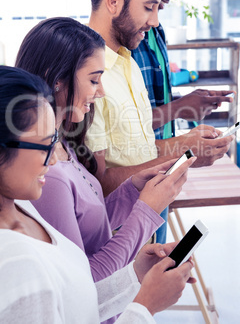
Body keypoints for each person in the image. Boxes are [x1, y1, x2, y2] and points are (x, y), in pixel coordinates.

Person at [0, 65, 196, 323]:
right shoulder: (16, 265)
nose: (52, 161)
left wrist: (134, 277)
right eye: (42, 147)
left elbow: (73, 306)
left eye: (54, 142)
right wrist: (145, 306)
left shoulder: (23, 207)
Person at [15, 17, 195, 286]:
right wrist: (147, 210)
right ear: (57, 79)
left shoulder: (63, 143)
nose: (100, 93)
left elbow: (92, 224)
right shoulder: (48, 175)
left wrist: (133, 190)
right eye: (94, 80)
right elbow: (84, 280)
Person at [84, 0, 234, 198]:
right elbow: (98, 186)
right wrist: (183, 153)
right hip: (118, 236)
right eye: (148, 7)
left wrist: (184, 143)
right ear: (114, 1)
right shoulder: (87, 75)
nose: (154, 22)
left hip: (145, 225)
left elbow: (138, 149)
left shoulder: (126, 61)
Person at [131, 0, 235, 243]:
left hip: (163, 167)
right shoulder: (121, 44)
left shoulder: (156, 30)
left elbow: (151, 102)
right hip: (137, 174)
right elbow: (129, 124)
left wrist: (190, 105)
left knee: (155, 252)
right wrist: (179, 110)